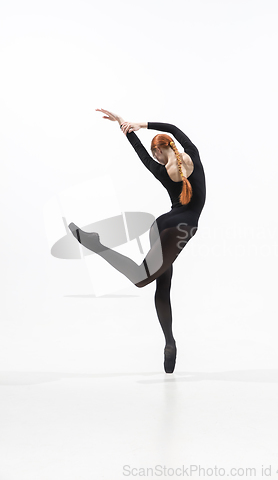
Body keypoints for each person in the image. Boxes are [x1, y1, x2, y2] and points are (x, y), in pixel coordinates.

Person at [68, 109, 206, 373]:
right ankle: (94, 243)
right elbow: (174, 129)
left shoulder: (162, 170)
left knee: (161, 285)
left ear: (164, 151)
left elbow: (141, 152)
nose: (155, 157)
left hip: (163, 224)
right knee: (142, 278)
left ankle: (169, 344)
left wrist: (128, 127)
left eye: (157, 154)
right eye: (155, 155)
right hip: (179, 228)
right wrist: (140, 125)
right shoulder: (194, 156)